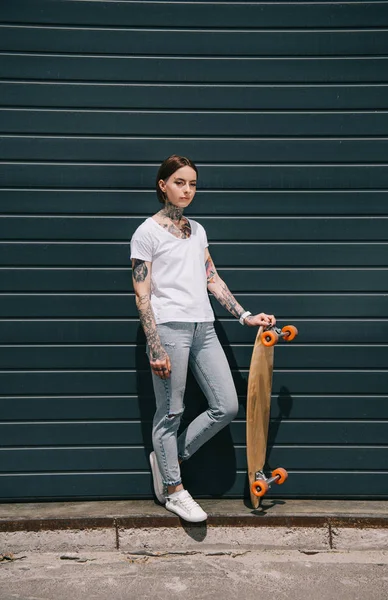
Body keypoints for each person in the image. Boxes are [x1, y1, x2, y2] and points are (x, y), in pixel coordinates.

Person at [130, 155, 276, 522]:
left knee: (226, 406)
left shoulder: (197, 230)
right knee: (171, 412)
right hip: (168, 329)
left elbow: (212, 277)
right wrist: (156, 345)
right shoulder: (146, 233)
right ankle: (173, 489)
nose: (187, 190)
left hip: (204, 328)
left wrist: (244, 315)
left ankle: (167, 460)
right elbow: (142, 294)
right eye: (180, 182)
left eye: (193, 184)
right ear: (163, 184)